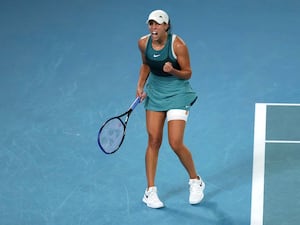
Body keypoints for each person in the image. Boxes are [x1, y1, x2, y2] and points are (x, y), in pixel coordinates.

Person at [135, 9, 205, 209]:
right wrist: (140, 85)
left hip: (177, 93)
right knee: (154, 140)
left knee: (175, 142)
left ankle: (195, 180)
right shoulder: (143, 43)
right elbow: (146, 65)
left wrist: (172, 70)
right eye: (151, 24)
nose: (153, 27)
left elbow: (188, 73)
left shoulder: (178, 45)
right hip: (155, 93)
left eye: (157, 23)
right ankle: (150, 191)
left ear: (166, 26)